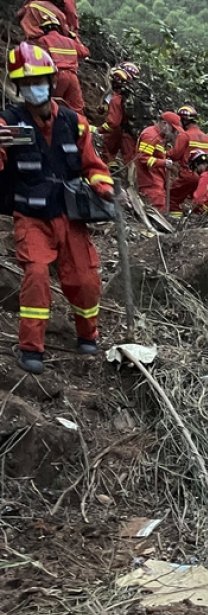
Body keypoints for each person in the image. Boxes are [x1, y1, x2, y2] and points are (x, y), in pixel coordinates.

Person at [0, 43, 113, 374]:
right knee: (35, 274)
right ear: (18, 89)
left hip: (70, 214)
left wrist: (102, 187)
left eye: (39, 81)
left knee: (86, 279)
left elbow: (94, 164)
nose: (33, 89)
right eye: (26, 84)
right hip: (32, 217)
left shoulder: (74, 123)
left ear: (51, 82)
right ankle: (31, 347)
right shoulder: (8, 124)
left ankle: (87, 335)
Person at [32, 11, 87, 113]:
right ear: (58, 28)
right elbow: (84, 52)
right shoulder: (70, 41)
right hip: (73, 77)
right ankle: (80, 127)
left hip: (57, 76)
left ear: (44, 29)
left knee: (53, 106)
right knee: (77, 108)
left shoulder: (43, 40)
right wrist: (75, 38)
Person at [168, 104, 208, 214]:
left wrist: (164, 152)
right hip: (204, 178)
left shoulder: (185, 136)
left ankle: (174, 223)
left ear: (184, 121)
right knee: (198, 204)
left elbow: (175, 155)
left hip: (188, 175)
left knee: (172, 199)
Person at [135, 111, 180, 212]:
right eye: (173, 129)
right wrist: (164, 163)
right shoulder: (150, 135)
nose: (174, 133)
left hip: (156, 182)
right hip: (150, 183)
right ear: (164, 124)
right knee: (156, 211)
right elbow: (143, 158)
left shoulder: (160, 138)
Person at [99, 63, 137, 165]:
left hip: (119, 130)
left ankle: (108, 169)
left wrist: (99, 130)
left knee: (107, 150)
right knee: (130, 160)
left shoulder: (117, 99)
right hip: (132, 133)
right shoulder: (135, 96)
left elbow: (113, 123)